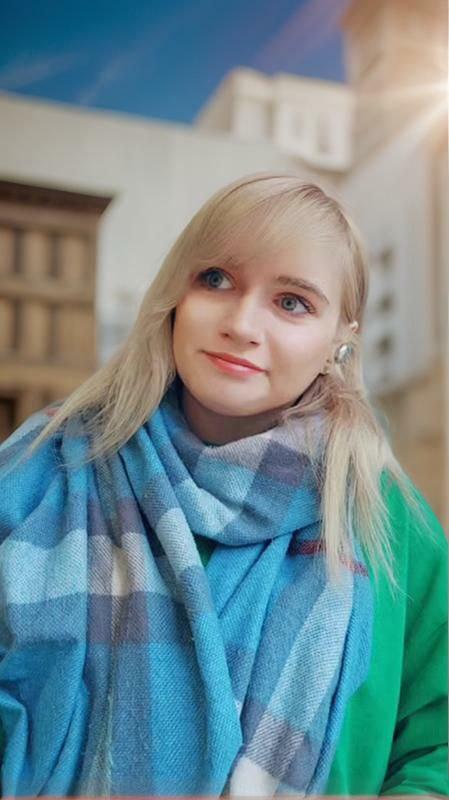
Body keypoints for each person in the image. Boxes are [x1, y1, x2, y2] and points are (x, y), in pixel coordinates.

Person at [0, 173, 447, 798]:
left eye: (292, 302)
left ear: (339, 338)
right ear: (175, 295)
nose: (241, 323)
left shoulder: (389, 522)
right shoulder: (43, 467)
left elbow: (436, 748)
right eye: (215, 279)